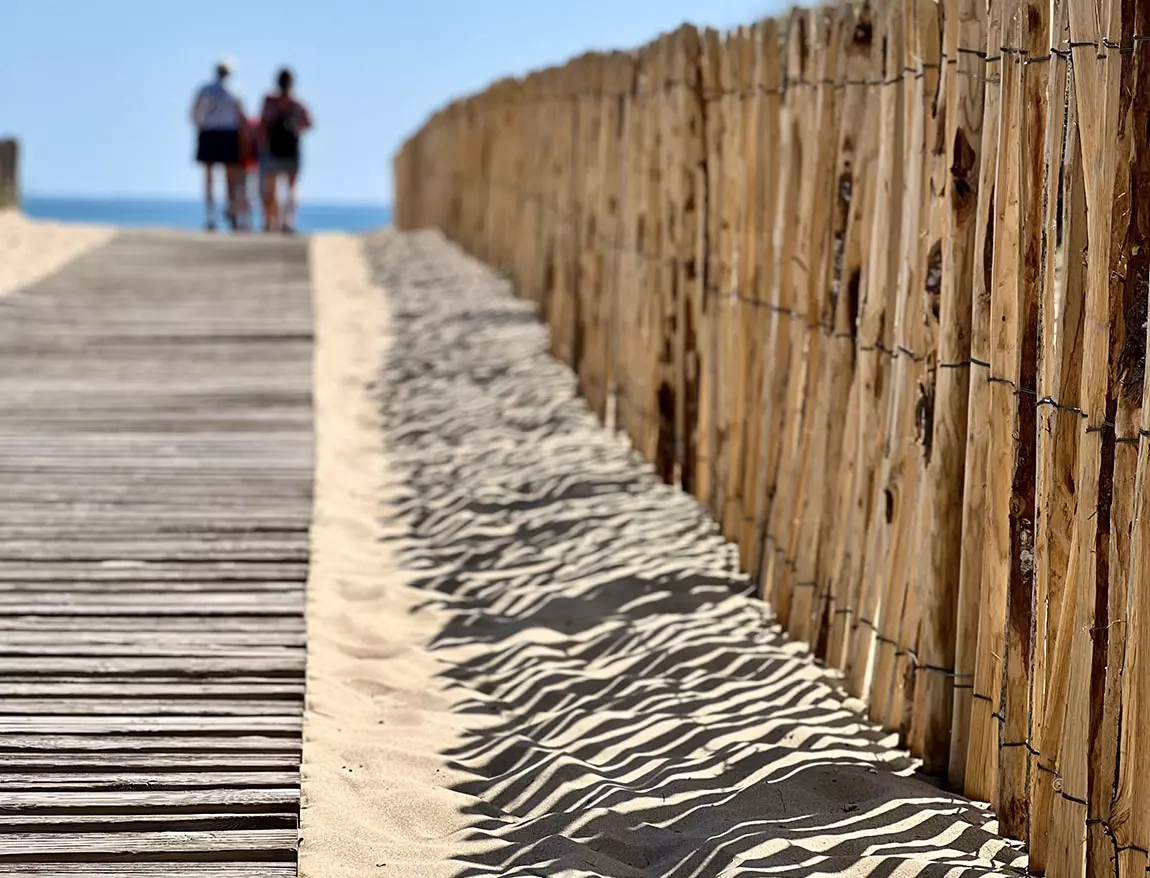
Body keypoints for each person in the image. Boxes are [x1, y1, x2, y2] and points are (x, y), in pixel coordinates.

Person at [190, 60, 246, 231]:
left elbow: (194, 113)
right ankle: (231, 214)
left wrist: (200, 127)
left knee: (209, 178)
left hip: (209, 132)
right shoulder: (235, 91)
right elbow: (241, 117)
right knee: (230, 179)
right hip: (229, 134)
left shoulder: (205, 89)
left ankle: (211, 217)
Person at [259, 68, 312, 234]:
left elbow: (263, 124)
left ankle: (271, 222)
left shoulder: (270, 102)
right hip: (292, 151)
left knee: (271, 188)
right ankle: (288, 222)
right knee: (292, 188)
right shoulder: (297, 103)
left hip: (272, 150)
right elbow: (308, 123)